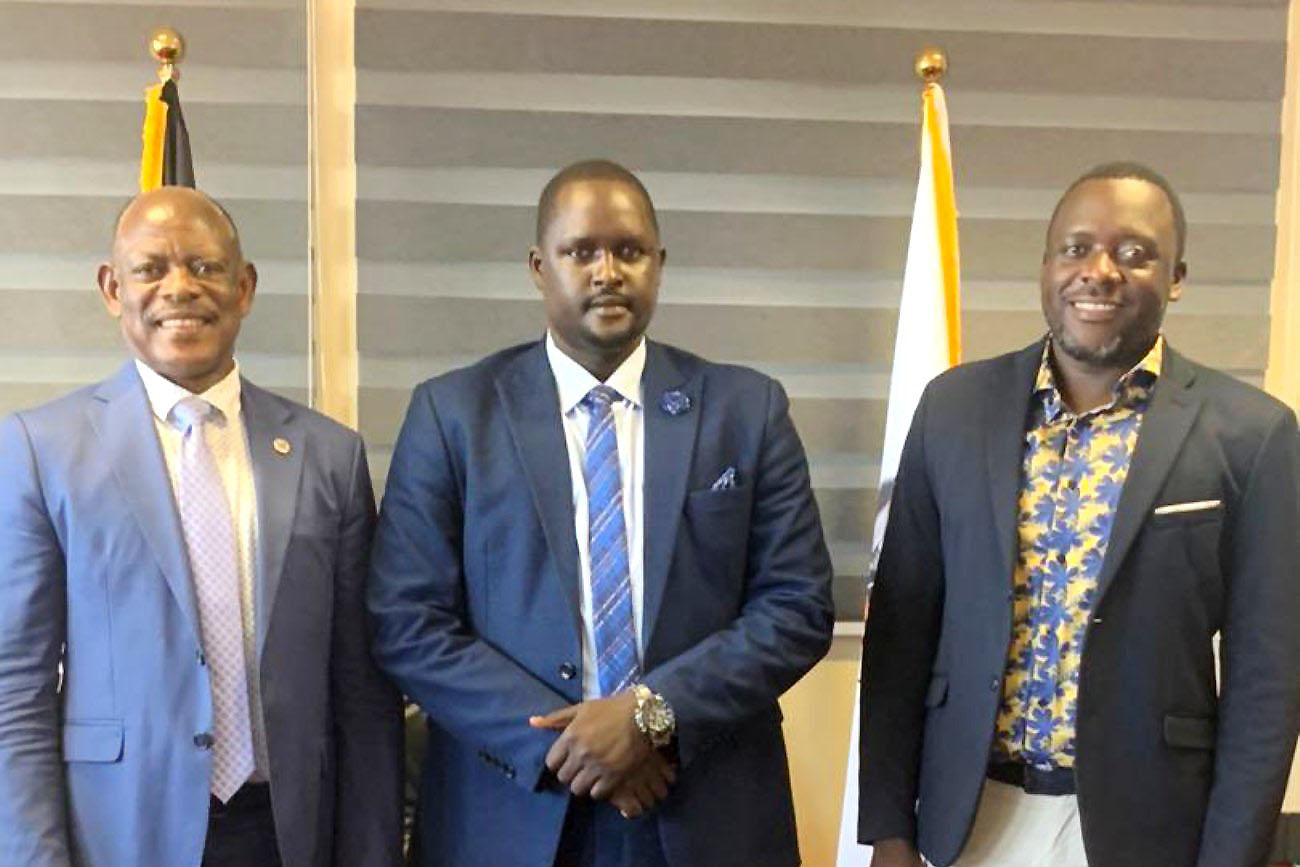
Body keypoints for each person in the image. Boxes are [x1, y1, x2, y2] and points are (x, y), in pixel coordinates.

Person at [367, 159, 835, 866]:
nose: (607, 271)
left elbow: (796, 608)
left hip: (704, 808)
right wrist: (574, 744)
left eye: (629, 250)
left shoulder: (746, 409)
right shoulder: (454, 413)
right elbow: (406, 622)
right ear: (538, 266)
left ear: (660, 263)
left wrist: (651, 716)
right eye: (581, 251)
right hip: (510, 812)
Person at [857, 162, 1300, 867]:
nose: (1099, 271)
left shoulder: (1254, 434)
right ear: (1045, 266)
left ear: (1176, 276)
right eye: (1076, 248)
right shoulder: (953, 409)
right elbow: (899, 639)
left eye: (1134, 253)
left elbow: (1267, 681)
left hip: (1150, 829)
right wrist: (888, 829)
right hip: (967, 818)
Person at [0, 186, 404, 866]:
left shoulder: (328, 455)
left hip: (286, 831)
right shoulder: (42, 451)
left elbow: (361, 692)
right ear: (111, 288)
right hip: (116, 833)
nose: (179, 287)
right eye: (151, 268)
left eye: (205, 267)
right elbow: (16, 690)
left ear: (244, 287)